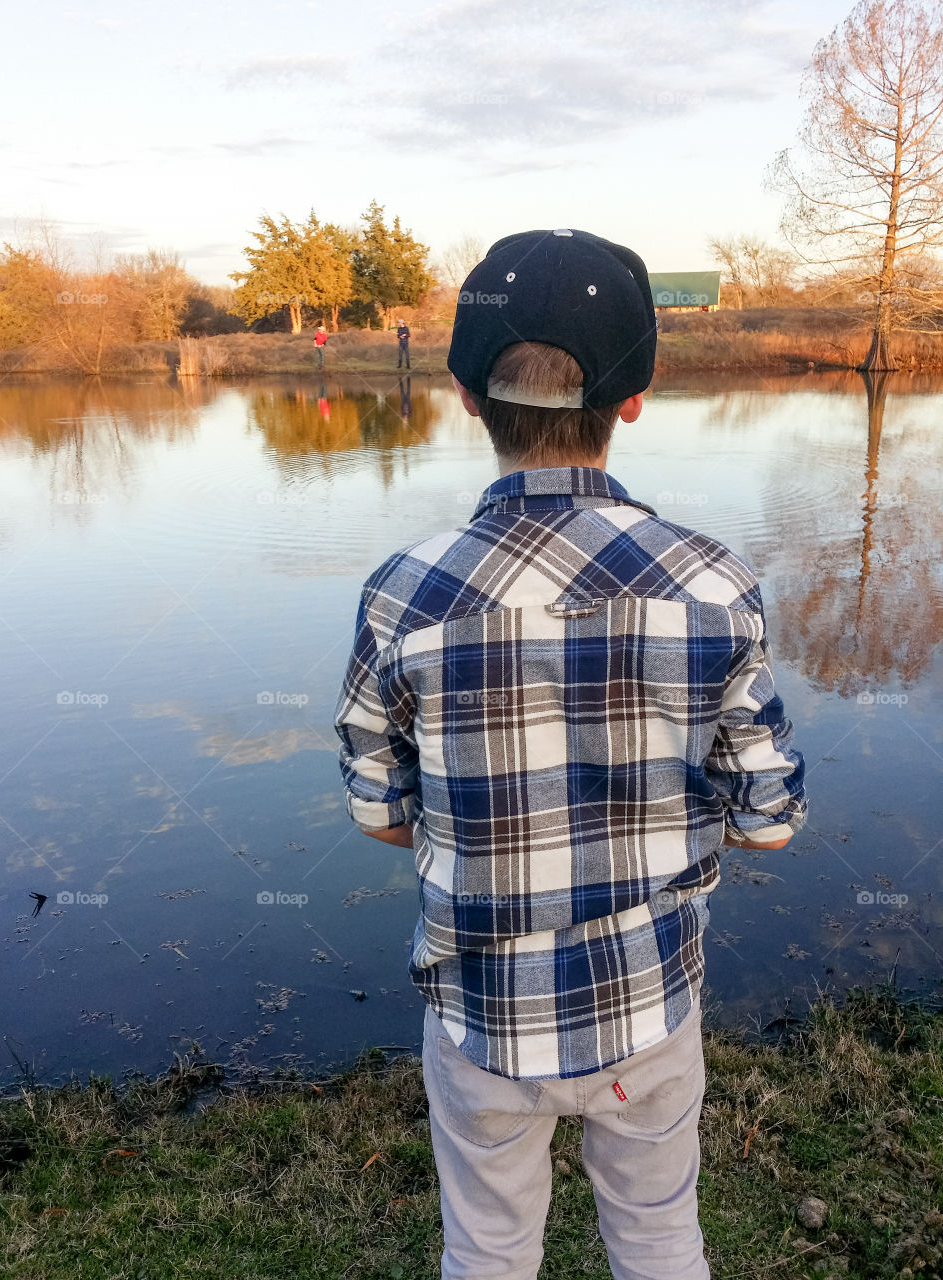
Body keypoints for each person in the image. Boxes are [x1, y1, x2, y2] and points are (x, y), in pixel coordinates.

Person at [333, 228, 806, 1280]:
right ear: (635, 398)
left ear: (461, 393)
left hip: (479, 1018)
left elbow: (376, 802)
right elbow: (769, 818)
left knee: (489, 1248)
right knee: (657, 1236)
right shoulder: (714, 582)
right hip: (647, 1008)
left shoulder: (402, 590)